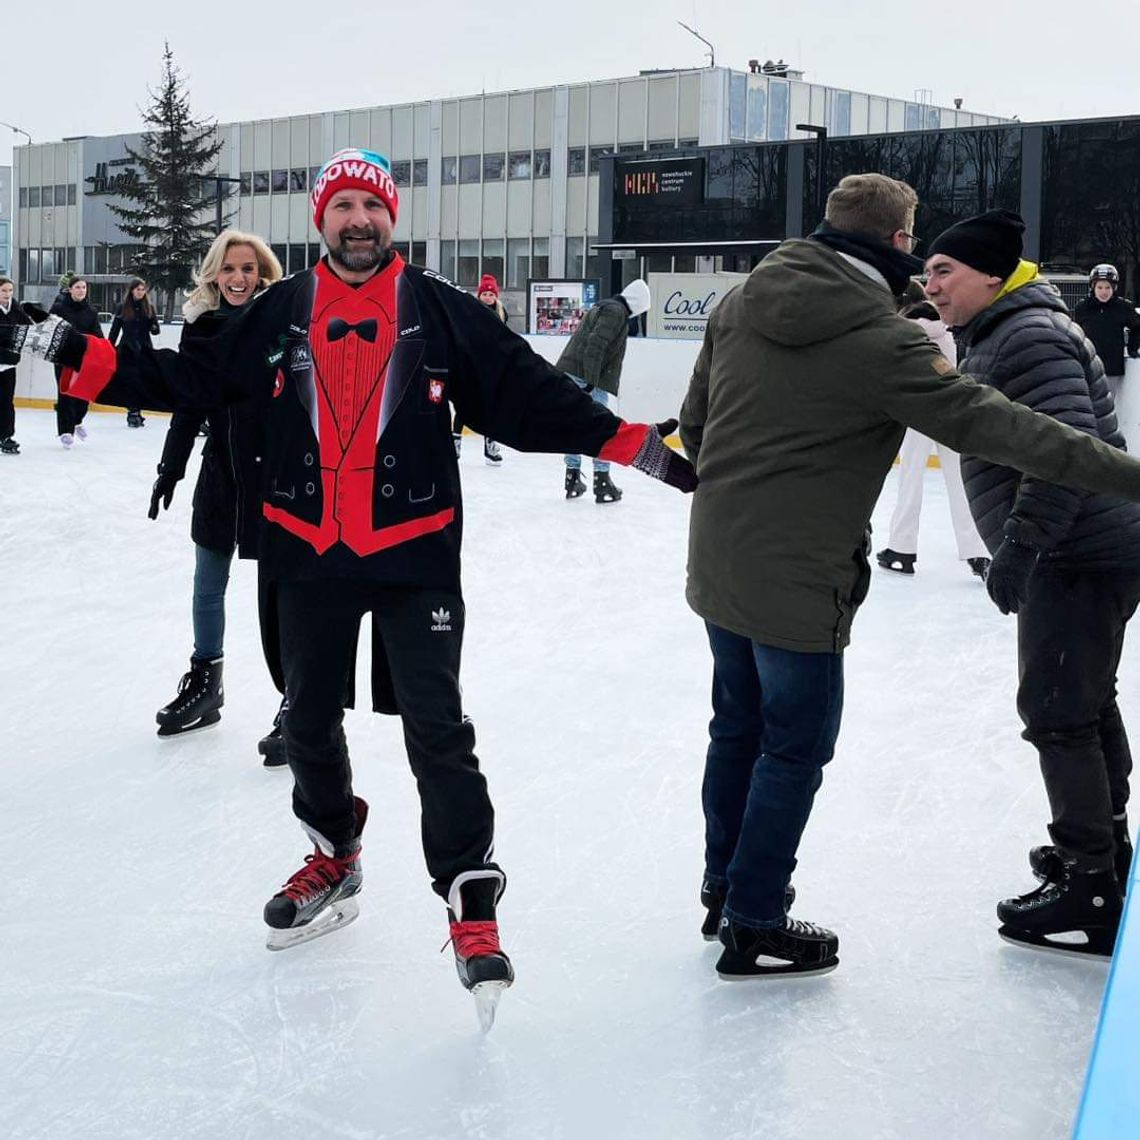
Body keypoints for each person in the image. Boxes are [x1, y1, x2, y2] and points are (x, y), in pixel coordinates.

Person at [12, 147, 695, 1022]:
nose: (359, 222)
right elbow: (189, 379)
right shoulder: (277, 313)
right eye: (343, 208)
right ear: (319, 219)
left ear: (392, 218)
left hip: (414, 556)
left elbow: (530, 396)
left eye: (372, 208)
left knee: (437, 728)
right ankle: (336, 849)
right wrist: (73, 349)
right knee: (304, 718)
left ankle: (469, 900)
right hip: (307, 550)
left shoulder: (444, 312)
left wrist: (631, 446)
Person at [678, 174, 1140, 981]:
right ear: (898, 243)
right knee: (792, 746)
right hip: (803, 576)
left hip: (720, 560)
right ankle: (753, 917)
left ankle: (725, 889)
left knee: (737, 729)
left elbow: (695, 425)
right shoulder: (882, 344)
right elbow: (1013, 430)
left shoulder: (739, 302)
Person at [924, 210, 1140, 959]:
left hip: (1076, 552)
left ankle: (1091, 888)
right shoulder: (1006, 330)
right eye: (927, 272)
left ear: (991, 275)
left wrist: (1020, 546)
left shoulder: (1028, 335)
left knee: (1057, 713)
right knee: (1082, 703)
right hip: (1087, 549)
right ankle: (1106, 855)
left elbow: (1065, 453)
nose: (931, 285)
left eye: (944, 271)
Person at [147, 233, 286, 766]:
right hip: (220, 476)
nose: (239, 277)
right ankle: (208, 685)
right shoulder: (202, 330)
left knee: (280, 599)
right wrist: (170, 467)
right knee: (208, 587)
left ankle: (298, 702)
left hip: (274, 480)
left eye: (249, 268)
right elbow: (189, 402)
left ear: (262, 273)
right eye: (229, 267)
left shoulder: (279, 326)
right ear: (214, 273)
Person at [876, 296, 991, 579]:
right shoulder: (947, 336)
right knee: (958, 481)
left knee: (910, 478)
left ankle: (902, 548)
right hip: (951, 412)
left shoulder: (906, 336)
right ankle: (977, 551)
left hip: (917, 413)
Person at [556, 278, 651, 503]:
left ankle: (572, 478)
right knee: (601, 427)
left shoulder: (606, 306)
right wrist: (590, 380)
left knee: (575, 425)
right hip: (587, 376)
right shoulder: (616, 313)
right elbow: (596, 344)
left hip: (574, 372)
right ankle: (601, 481)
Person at [452, 273, 505, 465]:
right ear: (479, 296)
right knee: (465, 405)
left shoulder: (501, 313)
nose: (488, 298)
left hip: (491, 367)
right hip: (470, 366)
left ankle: (490, 447)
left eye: (491, 295)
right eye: (485, 295)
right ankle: (455, 444)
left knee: (490, 407)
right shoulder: (470, 311)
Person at [1073, 264, 1140, 409]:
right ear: (1093, 287)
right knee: (1085, 407)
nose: (1104, 292)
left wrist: (1133, 347)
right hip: (1087, 367)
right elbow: (1075, 333)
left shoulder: (1123, 307)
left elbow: (1137, 326)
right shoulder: (1082, 308)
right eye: (1100, 287)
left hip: (1112, 368)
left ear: (1114, 288)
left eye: (1108, 288)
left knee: (1106, 408)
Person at [49, 276, 104, 448]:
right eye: (78, 287)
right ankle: (66, 431)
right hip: (63, 358)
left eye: (84, 287)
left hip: (83, 359)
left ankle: (78, 420)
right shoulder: (59, 308)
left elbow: (97, 334)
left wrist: (103, 348)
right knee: (65, 393)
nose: (81, 290)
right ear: (70, 289)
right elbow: (49, 329)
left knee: (83, 394)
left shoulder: (91, 311)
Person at [108, 278, 161, 428]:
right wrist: (109, 346)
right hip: (127, 348)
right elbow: (115, 330)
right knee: (131, 381)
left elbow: (155, 331)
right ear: (132, 290)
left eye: (143, 290)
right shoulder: (122, 308)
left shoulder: (149, 308)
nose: (140, 292)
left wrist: (154, 326)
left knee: (143, 381)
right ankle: (133, 412)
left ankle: (137, 410)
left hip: (144, 348)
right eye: (138, 289)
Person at [0, 276, 30, 455]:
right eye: (4, 290)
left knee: (6, 402)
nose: (7, 294)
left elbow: (29, 330)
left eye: (10, 290)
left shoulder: (17, 311)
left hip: (8, 365)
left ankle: (6, 436)